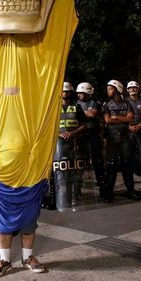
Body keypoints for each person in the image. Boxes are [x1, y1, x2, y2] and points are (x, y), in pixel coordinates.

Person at [102, 80, 141, 202]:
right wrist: (123, 120)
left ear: (117, 89)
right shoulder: (106, 105)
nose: (108, 91)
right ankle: (109, 193)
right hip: (112, 138)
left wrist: (117, 117)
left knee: (127, 163)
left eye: (110, 88)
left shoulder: (126, 103)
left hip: (125, 137)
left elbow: (131, 118)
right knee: (111, 165)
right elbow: (107, 120)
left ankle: (131, 191)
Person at [53, 82, 87, 210]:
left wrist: (72, 133)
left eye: (67, 91)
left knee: (75, 172)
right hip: (59, 145)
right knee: (61, 174)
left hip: (74, 143)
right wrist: (60, 133)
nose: (65, 93)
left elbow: (84, 125)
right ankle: (63, 199)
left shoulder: (77, 107)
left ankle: (75, 198)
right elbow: (50, 125)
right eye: (63, 91)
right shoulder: (54, 108)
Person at [75, 82, 104, 193]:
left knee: (97, 160)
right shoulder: (75, 103)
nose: (78, 95)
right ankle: (77, 188)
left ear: (87, 93)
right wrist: (86, 113)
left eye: (81, 93)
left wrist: (80, 113)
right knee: (81, 161)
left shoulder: (95, 103)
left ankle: (102, 186)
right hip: (81, 134)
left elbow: (92, 115)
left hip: (93, 134)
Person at [126, 81, 141, 186]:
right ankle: (131, 175)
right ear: (127, 90)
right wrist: (129, 127)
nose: (133, 89)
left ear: (138, 89)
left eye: (135, 87)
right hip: (129, 130)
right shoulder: (125, 102)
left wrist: (139, 126)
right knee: (129, 154)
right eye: (131, 88)